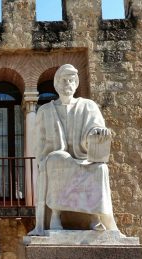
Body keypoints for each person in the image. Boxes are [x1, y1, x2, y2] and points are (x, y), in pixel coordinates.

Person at [29, 64, 117, 236]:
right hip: (57, 160)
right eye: (63, 80)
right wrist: (42, 162)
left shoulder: (88, 106)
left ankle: (94, 217)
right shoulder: (45, 111)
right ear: (56, 84)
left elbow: (94, 129)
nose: (67, 84)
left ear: (76, 84)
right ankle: (56, 216)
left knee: (100, 168)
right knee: (56, 160)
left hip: (83, 157)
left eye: (71, 81)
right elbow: (39, 143)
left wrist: (98, 134)